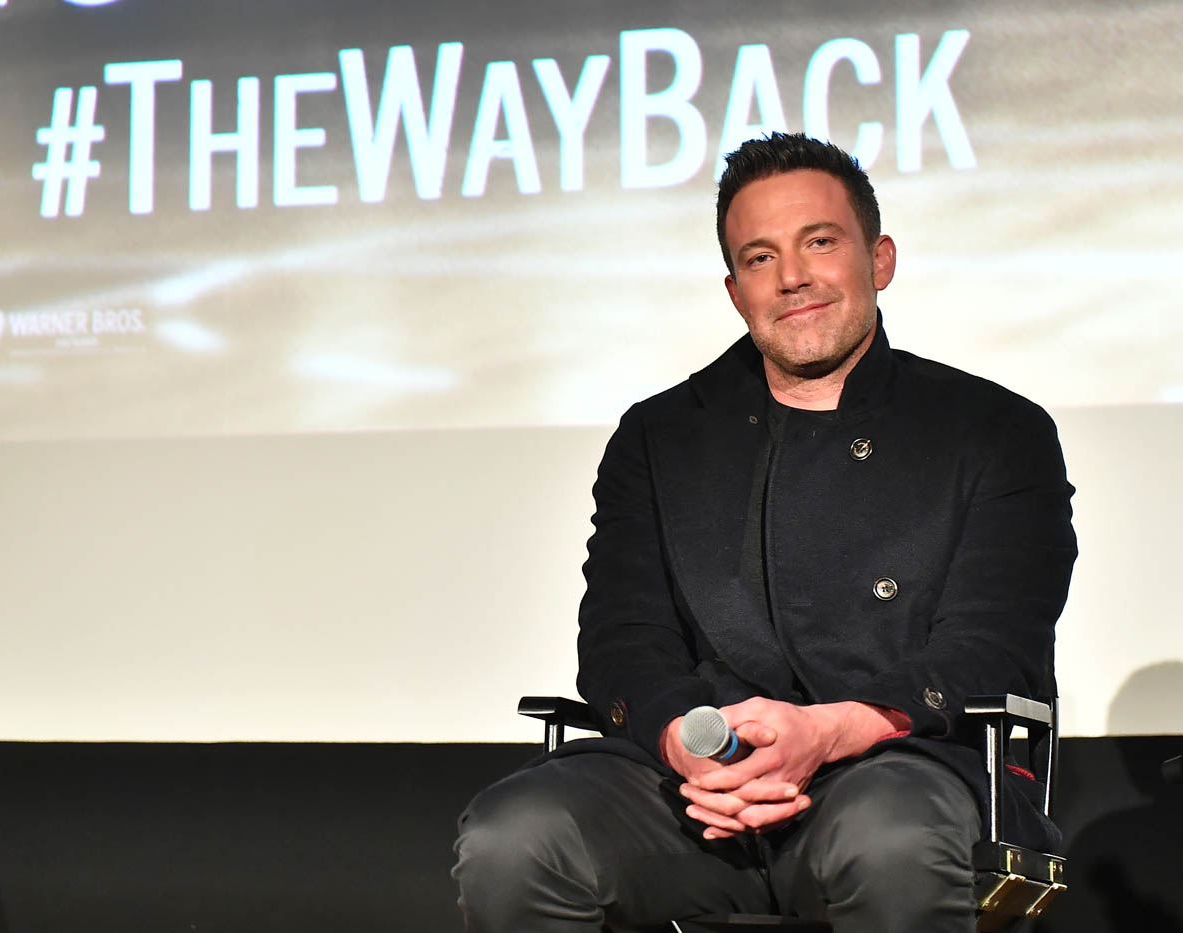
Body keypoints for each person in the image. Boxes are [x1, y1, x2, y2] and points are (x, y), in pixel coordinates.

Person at [452, 132, 1077, 932]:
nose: (792, 277)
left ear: (880, 259)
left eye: (820, 242)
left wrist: (826, 730)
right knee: (515, 839)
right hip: (696, 787)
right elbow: (622, 638)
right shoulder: (661, 436)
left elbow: (993, 644)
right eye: (759, 257)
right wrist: (685, 741)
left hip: (901, 764)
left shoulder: (993, 429)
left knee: (892, 838)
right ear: (734, 290)